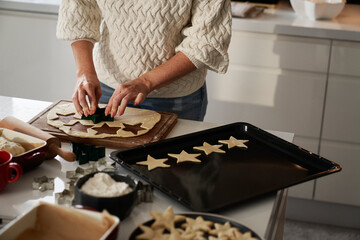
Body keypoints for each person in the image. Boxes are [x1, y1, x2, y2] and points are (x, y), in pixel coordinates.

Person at [56, 0, 232, 121]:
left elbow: (207, 40)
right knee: (106, 171)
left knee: (171, 174)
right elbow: (78, 13)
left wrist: (145, 82)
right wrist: (84, 73)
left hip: (175, 97)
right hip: (108, 88)